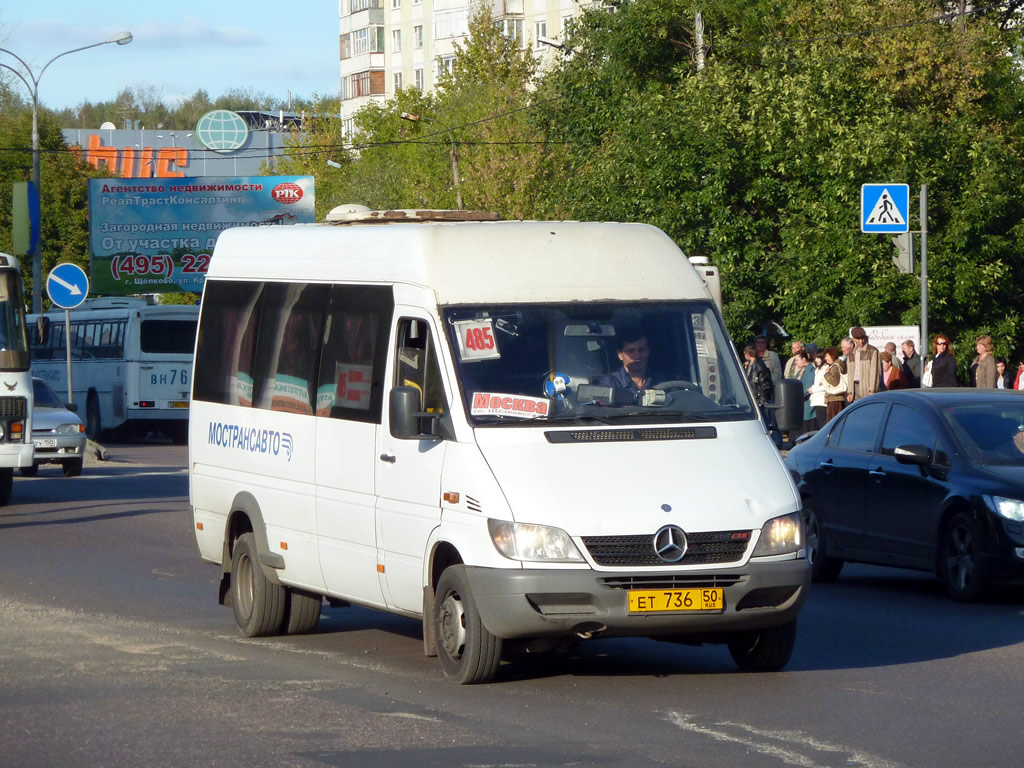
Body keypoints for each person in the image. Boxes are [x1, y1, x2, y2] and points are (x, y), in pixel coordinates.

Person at [597, 328, 665, 396]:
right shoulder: (609, 384)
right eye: (630, 351)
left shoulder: (662, 381)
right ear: (620, 354)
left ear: (648, 352)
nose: (637, 356)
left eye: (641, 350)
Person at [846, 326, 880, 402]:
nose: (861, 341)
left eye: (862, 338)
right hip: (855, 388)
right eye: (858, 339)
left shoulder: (872, 351)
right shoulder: (851, 354)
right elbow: (850, 374)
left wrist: (873, 390)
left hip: (867, 388)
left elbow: (875, 371)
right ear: (853, 339)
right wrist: (850, 392)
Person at [743, 344, 773, 415]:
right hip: (754, 396)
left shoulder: (759, 366)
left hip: (758, 398)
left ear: (748, 354)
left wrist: (762, 400)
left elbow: (765, 384)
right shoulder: (751, 365)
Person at [822, 347, 847, 420]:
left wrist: (827, 374)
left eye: (827, 356)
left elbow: (834, 382)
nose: (825, 358)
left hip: (834, 399)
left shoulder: (835, 367)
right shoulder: (838, 364)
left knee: (833, 422)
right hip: (836, 398)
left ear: (832, 355)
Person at [805, 349, 828, 429]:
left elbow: (825, 384)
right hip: (817, 401)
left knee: (823, 424)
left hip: (822, 401)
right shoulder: (818, 369)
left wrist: (813, 389)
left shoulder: (826, 369)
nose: (816, 360)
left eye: (819, 358)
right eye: (816, 358)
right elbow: (818, 383)